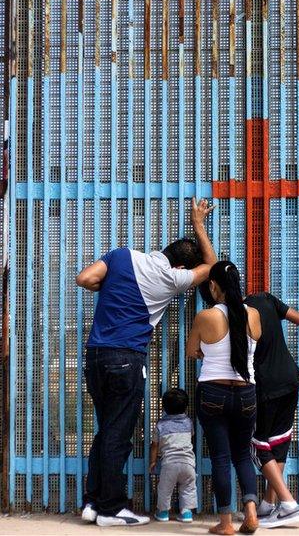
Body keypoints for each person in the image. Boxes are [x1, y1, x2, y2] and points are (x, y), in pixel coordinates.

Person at [75, 198, 216, 527]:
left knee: (106, 430)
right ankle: (111, 508)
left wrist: (108, 287)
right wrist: (198, 222)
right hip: (126, 358)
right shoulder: (171, 279)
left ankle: (93, 503)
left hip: (95, 356)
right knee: (118, 435)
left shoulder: (122, 255)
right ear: (180, 268)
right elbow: (210, 266)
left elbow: (84, 279)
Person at [186, 261, 262, 535]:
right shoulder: (253, 314)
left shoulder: (206, 316)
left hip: (213, 393)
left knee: (220, 457)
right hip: (246, 393)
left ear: (213, 286)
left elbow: (192, 351)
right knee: (243, 454)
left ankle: (226, 524)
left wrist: (210, 354)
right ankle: (251, 512)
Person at [245, 285, 299, 528]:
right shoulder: (266, 299)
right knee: (278, 442)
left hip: (265, 386)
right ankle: (269, 506)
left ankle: (288, 504)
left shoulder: (235, 312)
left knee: (258, 444)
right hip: (289, 380)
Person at [149, 388, 197, 523]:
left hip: (169, 464)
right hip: (188, 464)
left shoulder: (161, 425)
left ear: (164, 407)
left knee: (165, 489)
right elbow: (191, 437)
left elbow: (154, 445)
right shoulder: (188, 422)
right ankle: (186, 513)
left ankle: (163, 513)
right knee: (188, 488)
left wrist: (153, 461)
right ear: (186, 406)